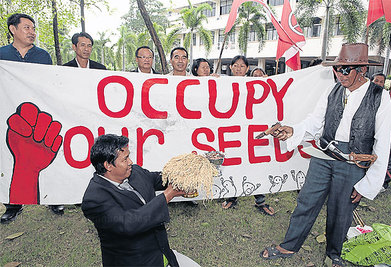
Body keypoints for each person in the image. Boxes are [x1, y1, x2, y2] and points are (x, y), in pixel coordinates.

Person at [259, 43, 391, 267]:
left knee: (341, 210)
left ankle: (335, 253)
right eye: (337, 69)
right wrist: (292, 130)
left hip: (353, 162)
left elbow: (382, 144)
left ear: (362, 70)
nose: (339, 74)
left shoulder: (380, 97)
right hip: (324, 156)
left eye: (345, 70)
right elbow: (314, 121)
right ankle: (289, 245)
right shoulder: (332, 90)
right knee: (306, 201)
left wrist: (367, 184)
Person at [82, 134, 200, 267]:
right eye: (125, 159)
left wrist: (183, 175)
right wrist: (167, 195)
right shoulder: (94, 199)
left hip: (162, 254)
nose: (130, 162)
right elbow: (128, 224)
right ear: (108, 165)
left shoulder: (134, 171)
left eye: (129, 156)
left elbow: (157, 179)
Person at [0, 13, 64, 222]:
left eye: (33, 28)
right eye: (27, 28)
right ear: (13, 29)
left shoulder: (43, 56)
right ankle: (12, 204)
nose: (32, 32)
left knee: (46, 152)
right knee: (9, 158)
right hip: (8, 113)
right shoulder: (2, 55)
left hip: (38, 113)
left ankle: (53, 198)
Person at [221, 55, 275, 216]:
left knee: (254, 165)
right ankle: (231, 196)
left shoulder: (255, 85)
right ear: (230, 67)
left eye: (242, 66)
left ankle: (261, 200)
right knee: (233, 164)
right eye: (235, 65)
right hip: (231, 132)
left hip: (250, 132)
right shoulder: (222, 83)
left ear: (247, 69)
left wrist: (268, 82)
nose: (238, 68)